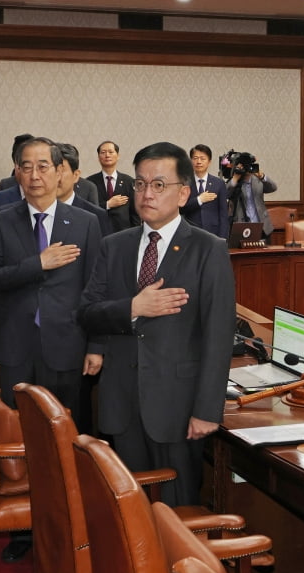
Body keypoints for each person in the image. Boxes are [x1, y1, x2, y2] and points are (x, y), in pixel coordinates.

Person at [78, 141, 235, 507]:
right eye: (140, 183)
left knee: (177, 509)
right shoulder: (113, 245)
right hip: (122, 401)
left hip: (178, 407)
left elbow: (218, 334)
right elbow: (86, 313)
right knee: (130, 510)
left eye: (159, 185)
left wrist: (207, 410)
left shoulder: (207, 249)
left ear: (183, 194)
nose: (147, 193)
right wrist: (133, 306)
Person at [0, 137, 103, 561]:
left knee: (68, 438)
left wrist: (97, 344)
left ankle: (71, 524)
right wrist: (39, 264)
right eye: (26, 167)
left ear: (60, 171)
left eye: (43, 167)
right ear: (17, 171)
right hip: (17, 347)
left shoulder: (86, 222)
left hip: (68, 347)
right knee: (23, 440)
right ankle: (23, 529)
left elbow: (95, 288)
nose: (35, 175)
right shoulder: (0, 220)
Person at [86, 140, 138, 233]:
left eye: (111, 152)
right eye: (103, 152)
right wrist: (107, 204)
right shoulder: (90, 182)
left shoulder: (129, 181)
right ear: (98, 157)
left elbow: (135, 213)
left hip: (123, 233)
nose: (107, 155)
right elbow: (87, 210)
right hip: (98, 232)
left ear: (118, 156)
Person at [180, 144, 230, 238]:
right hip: (190, 233)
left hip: (213, 234)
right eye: (195, 158)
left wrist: (222, 239)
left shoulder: (219, 183)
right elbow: (180, 209)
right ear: (191, 161)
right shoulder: (184, 183)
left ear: (209, 162)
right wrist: (199, 200)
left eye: (202, 158)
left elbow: (223, 214)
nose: (198, 162)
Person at [226, 155, 278, 238]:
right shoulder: (235, 183)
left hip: (262, 226)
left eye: (249, 165)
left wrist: (263, 177)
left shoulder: (258, 180)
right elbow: (225, 194)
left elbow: (273, 188)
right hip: (242, 226)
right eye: (244, 166)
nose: (247, 169)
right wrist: (235, 178)